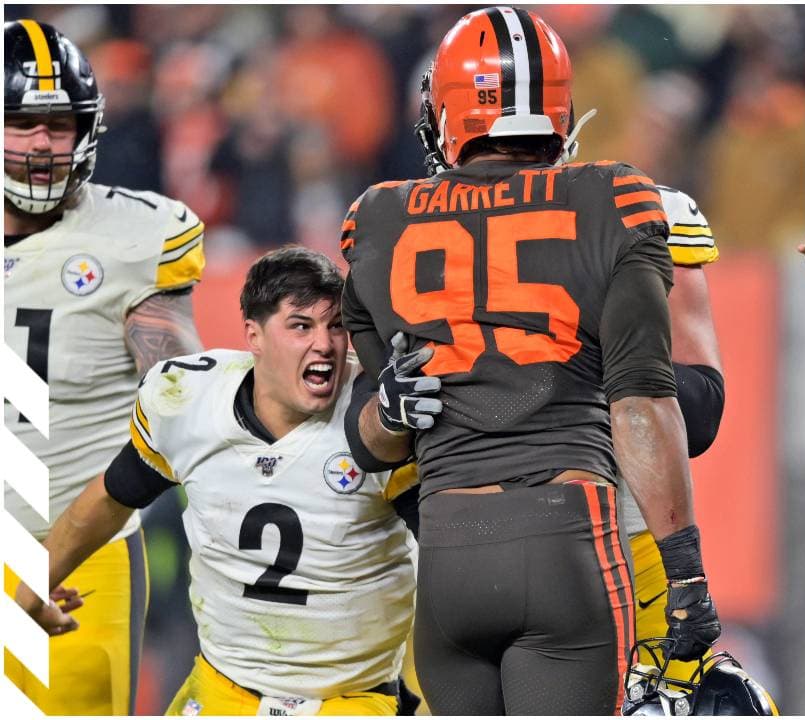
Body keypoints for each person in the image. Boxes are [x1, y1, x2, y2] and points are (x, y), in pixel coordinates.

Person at [338, 8, 719, 714]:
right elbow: (651, 402)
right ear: (559, 108)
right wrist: (686, 573)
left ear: (444, 110)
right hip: (566, 536)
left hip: (450, 551)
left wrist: (390, 411)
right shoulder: (616, 196)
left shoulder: (378, 217)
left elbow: (369, 445)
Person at [15, 247, 421, 715]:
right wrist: (33, 586)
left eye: (335, 326)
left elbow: (444, 540)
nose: (326, 344)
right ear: (254, 334)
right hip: (225, 686)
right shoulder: (188, 400)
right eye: (301, 326)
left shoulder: (375, 421)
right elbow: (113, 496)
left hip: (349, 695)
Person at [3, 19, 205, 715]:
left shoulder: (131, 241)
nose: (41, 145)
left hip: (81, 556)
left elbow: (182, 405)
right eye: (22, 122)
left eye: (59, 125)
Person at [621, 184, 727, 679]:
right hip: (481, 542)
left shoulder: (632, 206)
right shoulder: (421, 218)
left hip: (626, 541)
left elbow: (701, 408)